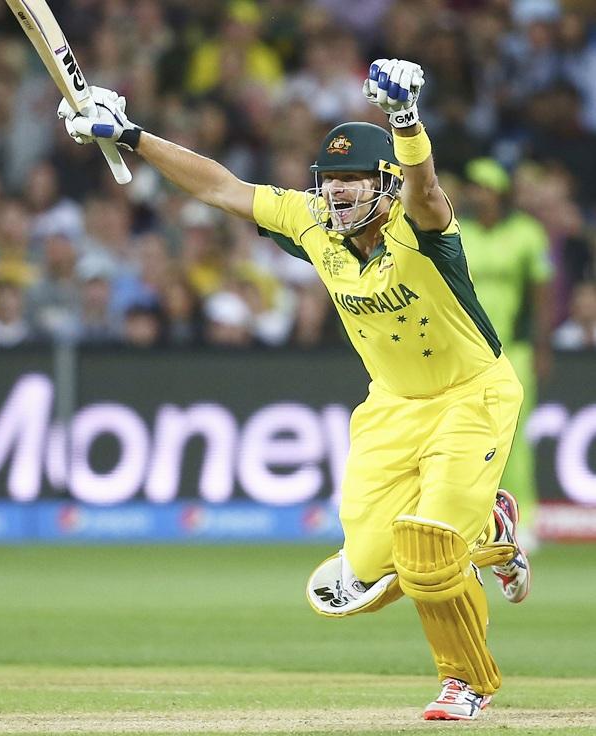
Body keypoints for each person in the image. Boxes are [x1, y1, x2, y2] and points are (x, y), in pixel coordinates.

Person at [57, 57, 531, 722]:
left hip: (471, 396)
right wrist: (133, 134)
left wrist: (405, 120)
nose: (335, 194)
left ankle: (466, 681)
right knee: (365, 572)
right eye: (329, 181)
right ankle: (492, 526)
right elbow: (221, 187)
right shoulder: (312, 224)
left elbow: (427, 190)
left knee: (427, 551)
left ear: (384, 184)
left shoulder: (417, 225)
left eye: (351, 181)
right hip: (392, 406)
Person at [460, 157, 554, 551]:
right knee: (466, 438)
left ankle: (524, 518)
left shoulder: (527, 234)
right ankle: (473, 519)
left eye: (484, 187)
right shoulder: (459, 231)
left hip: (512, 349)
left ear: (499, 193)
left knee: (513, 437)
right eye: (473, 186)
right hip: (467, 350)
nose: (476, 193)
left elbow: (543, 295)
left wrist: (541, 346)